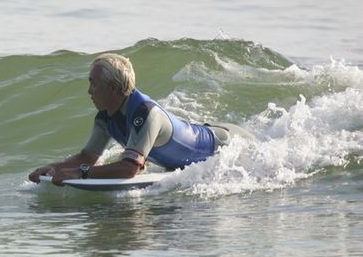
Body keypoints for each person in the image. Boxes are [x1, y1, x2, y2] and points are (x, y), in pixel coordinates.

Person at [29, 53, 256, 186]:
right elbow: (87, 157)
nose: (89, 91)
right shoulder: (105, 118)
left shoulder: (146, 113)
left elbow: (129, 170)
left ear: (114, 88)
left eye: (94, 84)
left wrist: (81, 173)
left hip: (225, 144)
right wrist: (51, 168)